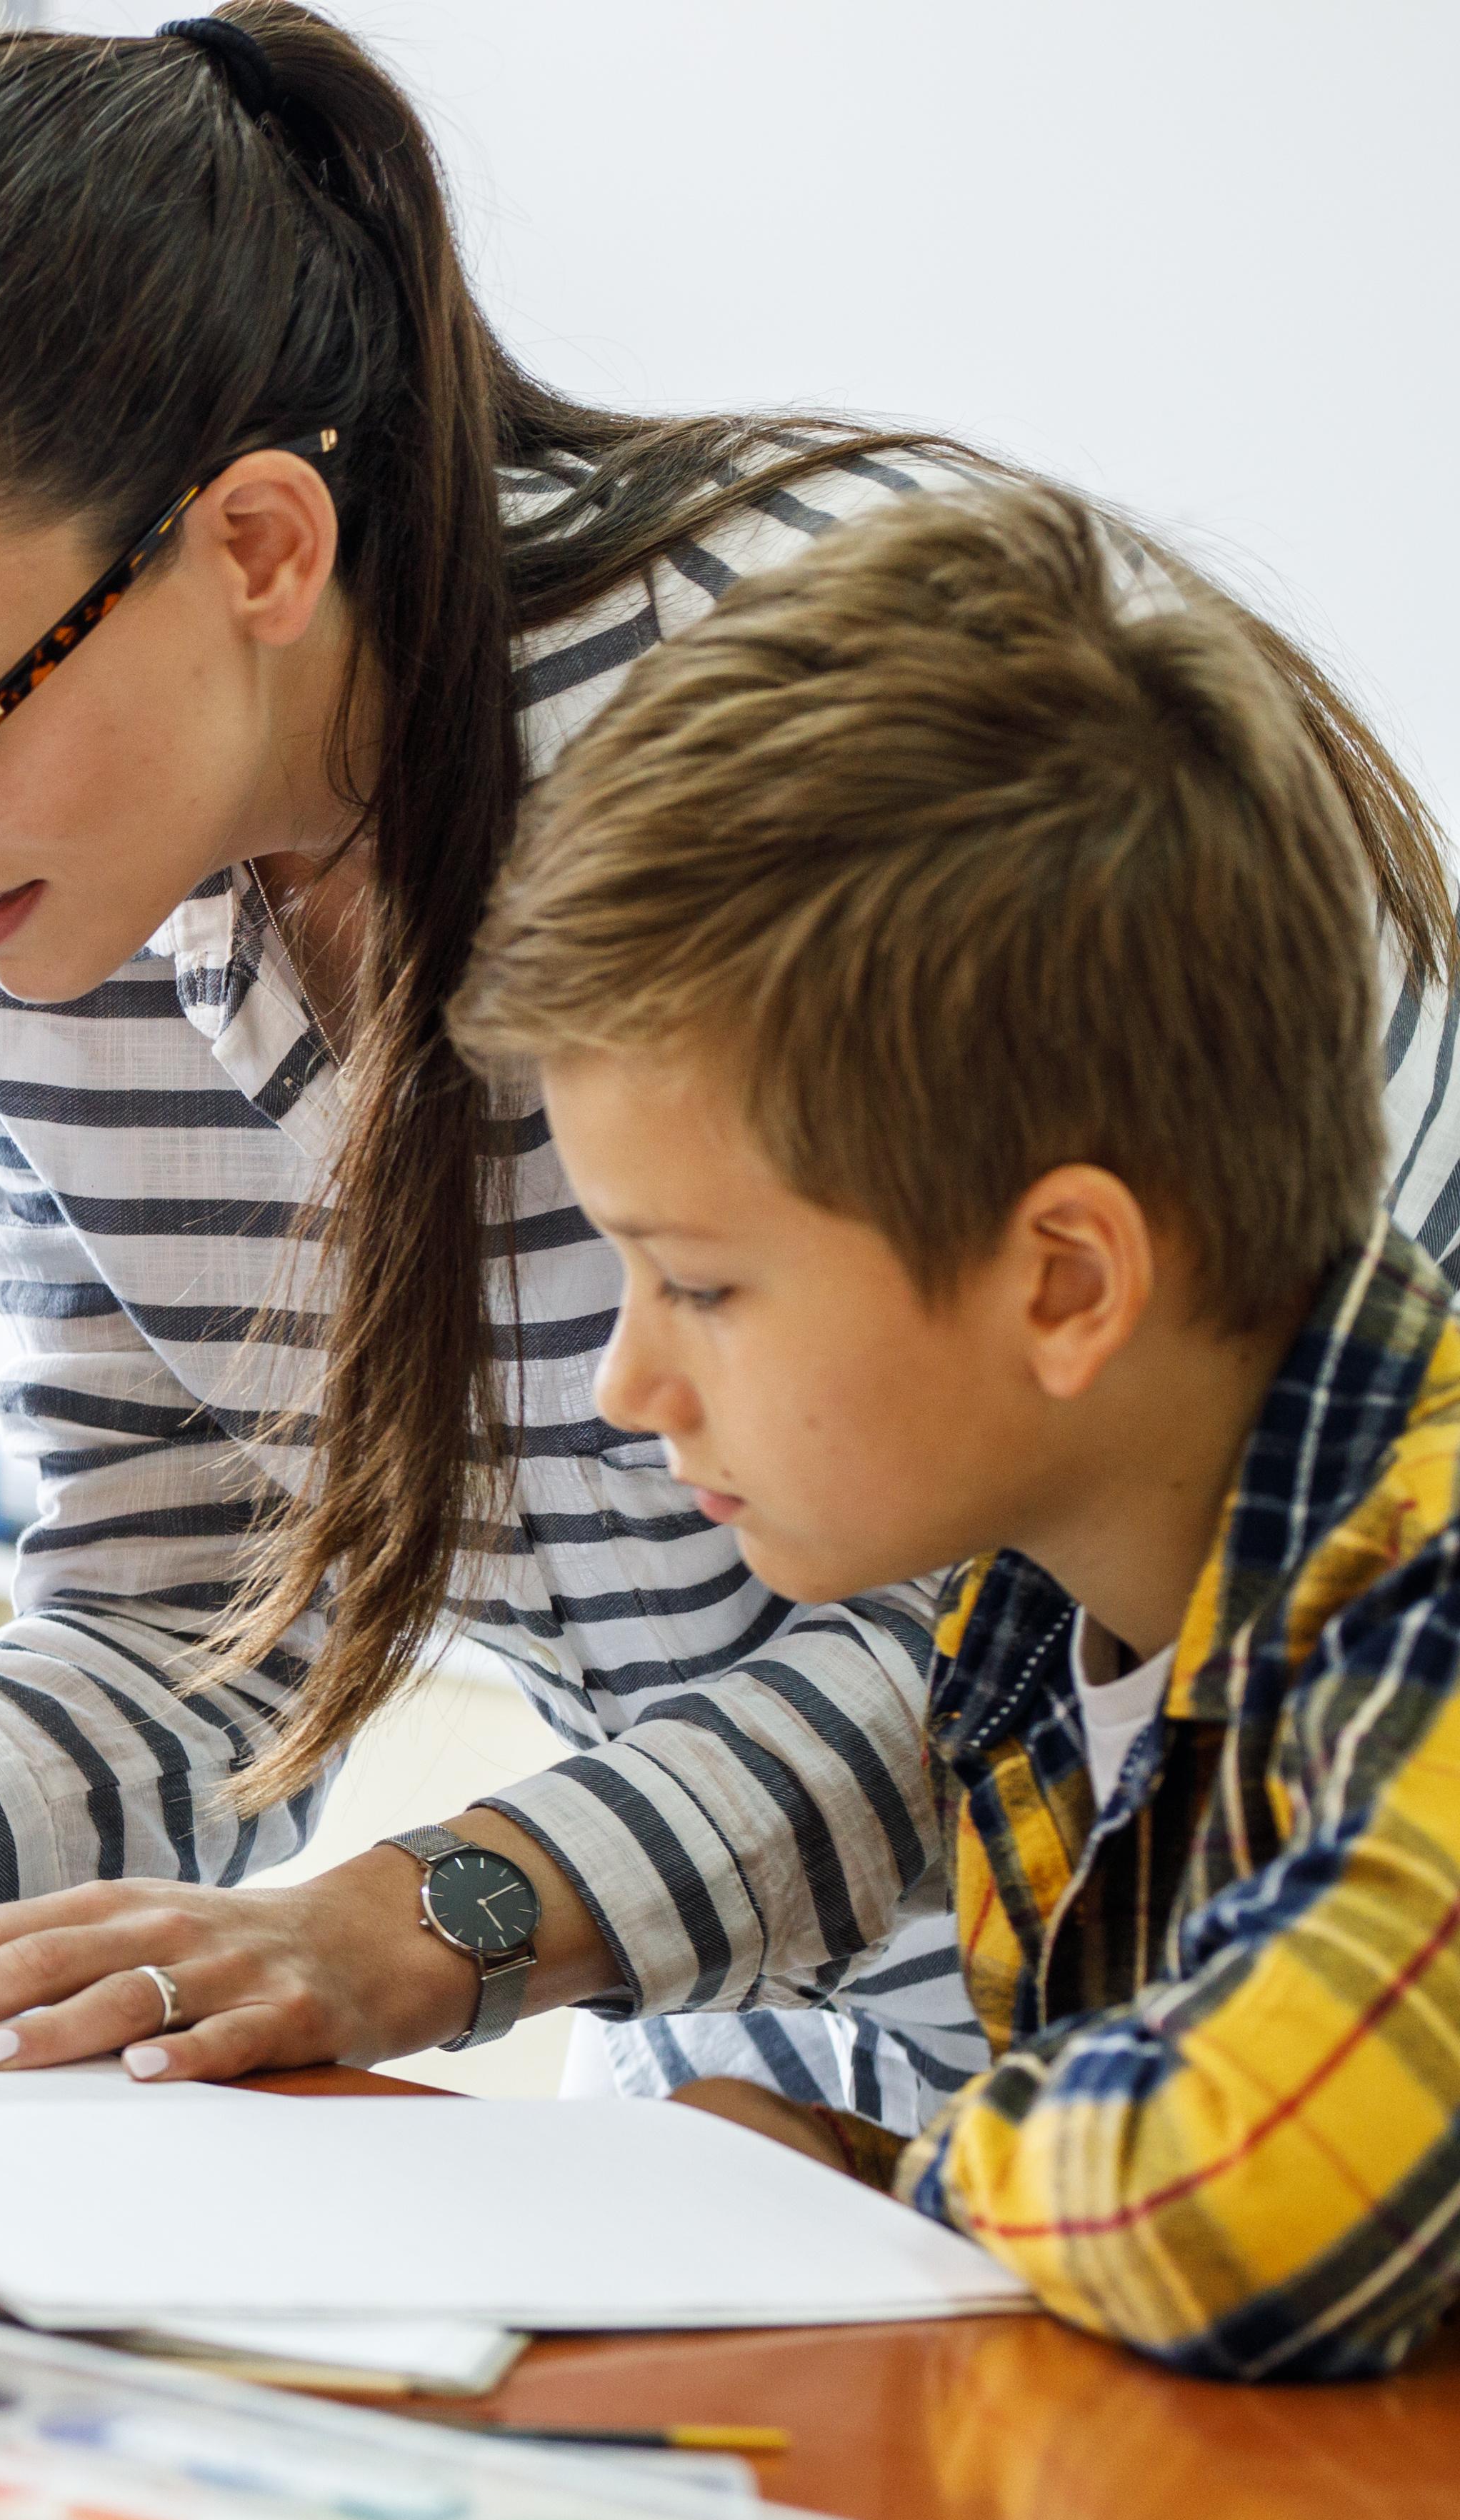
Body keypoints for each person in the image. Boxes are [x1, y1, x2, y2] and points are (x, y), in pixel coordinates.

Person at [0, 2, 1456, 2120]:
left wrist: (441, 1913)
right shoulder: (35, 881)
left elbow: (1049, 1600)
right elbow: (186, 1637)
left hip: (1256, 2041)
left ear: (259, 546)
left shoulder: (813, 770)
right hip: (760, 2126)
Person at [469, 480, 1460, 2379]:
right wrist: (836, 2172)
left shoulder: (1431, 1587)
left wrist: (902, 2184)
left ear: (1068, 1286)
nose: (630, 1383)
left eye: (707, 1282)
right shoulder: (1027, 1636)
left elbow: (1252, 2197)